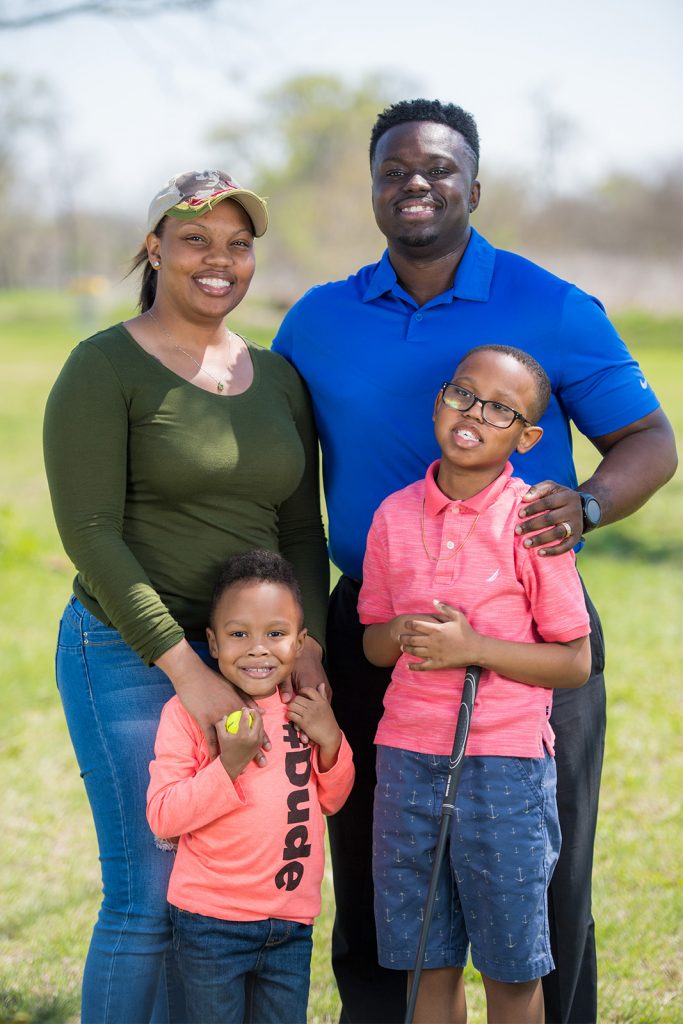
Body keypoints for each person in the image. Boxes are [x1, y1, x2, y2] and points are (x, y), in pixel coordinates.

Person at [272, 100, 678, 1024]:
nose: (415, 183)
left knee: (537, 877)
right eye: (394, 170)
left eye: (438, 169)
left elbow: (649, 440)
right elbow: (282, 475)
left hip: (526, 631)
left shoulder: (553, 306)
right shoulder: (317, 320)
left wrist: (586, 504)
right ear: (373, 188)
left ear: (474, 187)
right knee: (381, 869)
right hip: (374, 629)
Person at [43, 170, 329, 1023]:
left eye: (238, 243)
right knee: (151, 892)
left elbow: (300, 531)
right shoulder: (102, 367)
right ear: (153, 247)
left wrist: (303, 651)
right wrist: (186, 669)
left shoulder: (277, 377)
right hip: (130, 655)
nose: (220, 260)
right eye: (197, 239)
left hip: (256, 660)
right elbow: (91, 533)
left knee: (218, 896)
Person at [359, 344, 591, 1024]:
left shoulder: (532, 522)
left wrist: (474, 649)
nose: (473, 416)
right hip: (405, 759)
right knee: (423, 954)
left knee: (510, 960)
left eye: (499, 409)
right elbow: (372, 643)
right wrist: (402, 629)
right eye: (462, 394)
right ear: (439, 400)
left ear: (526, 437)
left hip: (505, 768)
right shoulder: (392, 517)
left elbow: (574, 661)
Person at [147, 550, 354, 1024]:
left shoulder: (306, 708)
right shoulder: (188, 716)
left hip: (291, 922)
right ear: (213, 643)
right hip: (210, 924)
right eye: (239, 634)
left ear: (300, 644)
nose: (258, 649)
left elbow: (333, 798)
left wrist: (331, 742)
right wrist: (229, 766)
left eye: (275, 634)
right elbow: (164, 814)